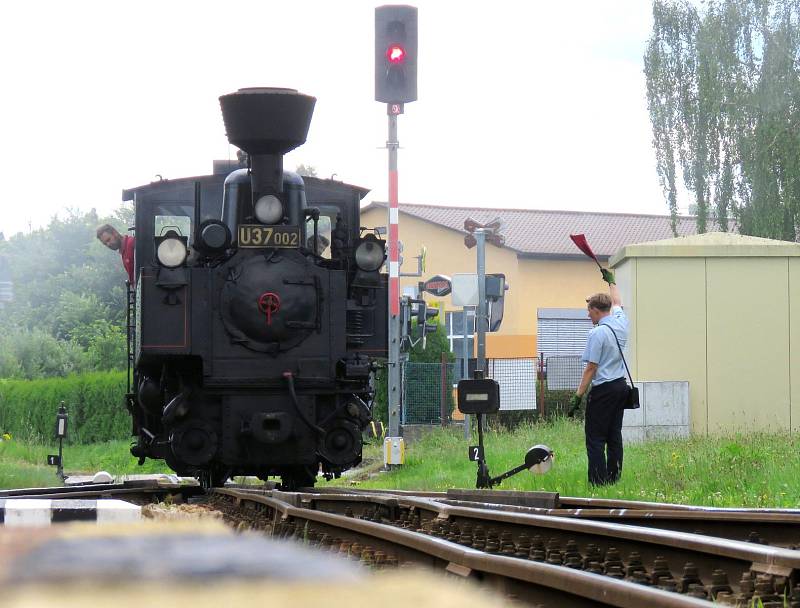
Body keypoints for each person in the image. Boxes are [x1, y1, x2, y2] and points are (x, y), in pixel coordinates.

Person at [568, 268, 629, 486]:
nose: (587, 315)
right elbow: (618, 302)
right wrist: (611, 282)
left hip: (603, 390)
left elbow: (591, 368)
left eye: (589, 310)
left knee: (595, 439)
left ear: (596, 310)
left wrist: (577, 396)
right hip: (621, 387)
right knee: (614, 436)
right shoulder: (621, 322)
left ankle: (597, 482)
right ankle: (614, 479)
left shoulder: (596, 334)